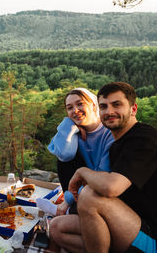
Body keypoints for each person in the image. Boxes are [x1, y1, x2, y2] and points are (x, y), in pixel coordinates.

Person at [67, 82, 157, 253]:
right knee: (57, 227)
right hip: (129, 221)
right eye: (103, 107)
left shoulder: (145, 138)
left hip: (155, 239)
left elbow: (110, 187)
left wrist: (82, 172)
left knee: (89, 195)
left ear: (133, 109)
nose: (109, 112)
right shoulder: (118, 145)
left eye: (117, 104)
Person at [47, 88, 114, 249]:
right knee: (54, 229)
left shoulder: (109, 133)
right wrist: (68, 125)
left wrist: (67, 200)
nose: (75, 110)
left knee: (57, 227)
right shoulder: (74, 133)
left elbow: (101, 177)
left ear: (93, 105)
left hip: (104, 197)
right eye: (69, 108)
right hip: (82, 194)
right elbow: (63, 154)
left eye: (80, 104)